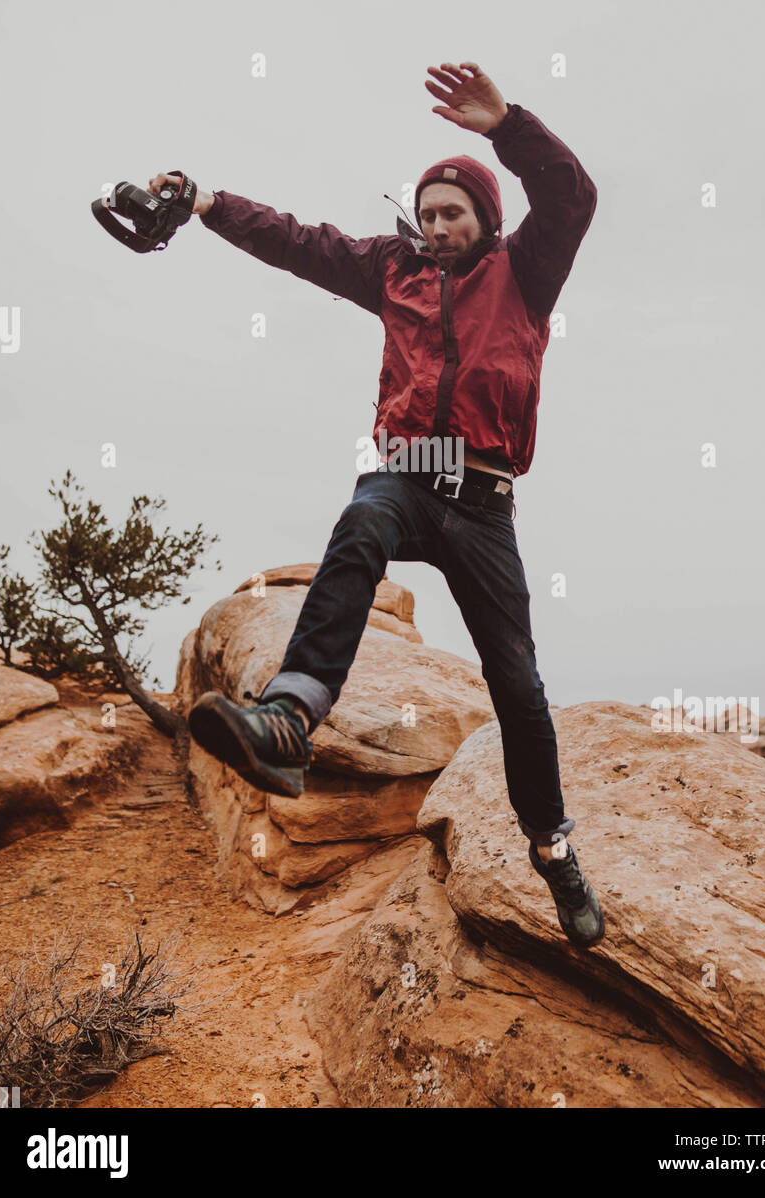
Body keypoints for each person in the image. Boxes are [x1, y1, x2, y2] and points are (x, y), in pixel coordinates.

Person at [151, 60, 604, 948]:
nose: (436, 227)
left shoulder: (528, 273)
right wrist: (204, 201)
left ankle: (553, 851)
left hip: (482, 498)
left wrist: (506, 124)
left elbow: (573, 194)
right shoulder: (393, 271)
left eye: (453, 213)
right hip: (405, 471)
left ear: (486, 219)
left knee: (519, 686)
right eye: (427, 213)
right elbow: (296, 240)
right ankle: (289, 719)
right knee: (361, 520)